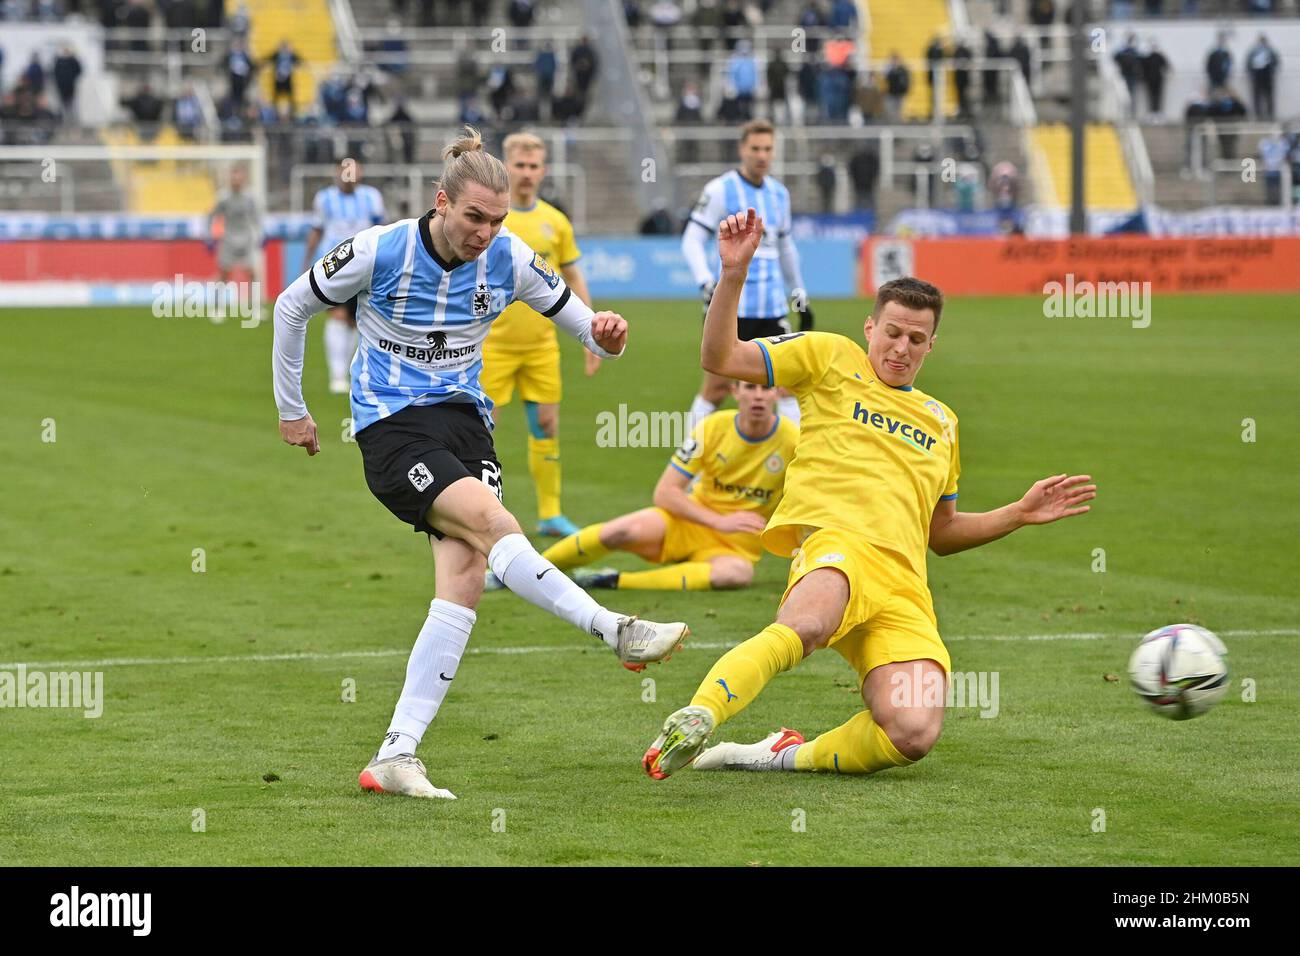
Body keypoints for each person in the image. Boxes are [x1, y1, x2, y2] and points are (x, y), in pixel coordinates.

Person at [272, 128, 689, 800]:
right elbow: (292, 305)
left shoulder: (512, 257)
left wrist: (607, 335)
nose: (486, 232)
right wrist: (292, 409)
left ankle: (396, 754)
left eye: (496, 220)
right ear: (441, 203)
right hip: (392, 426)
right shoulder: (380, 250)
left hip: (466, 425)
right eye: (474, 217)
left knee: (465, 578)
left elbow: (588, 329)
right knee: (494, 523)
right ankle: (615, 629)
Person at [642, 209, 1095, 780]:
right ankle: (698, 717)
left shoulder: (943, 422)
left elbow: (942, 535)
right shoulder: (828, 356)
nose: (901, 348)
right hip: (838, 544)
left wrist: (1018, 514)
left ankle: (778, 755)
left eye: (916, 338)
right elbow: (720, 358)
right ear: (869, 328)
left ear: (932, 345)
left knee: (912, 732)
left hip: (904, 585)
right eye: (893, 332)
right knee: (806, 625)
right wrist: (733, 274)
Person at [523, 381, 796, 593]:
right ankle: (520, 571)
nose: (758, 396)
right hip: (688, 523)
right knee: (620, 531)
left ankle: (612, 580)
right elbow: (665, 493)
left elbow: (805, 498)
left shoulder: (793, 440)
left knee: (736, 575)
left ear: (778, 393)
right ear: (735, 391)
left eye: (766, 388)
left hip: (736, 546)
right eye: (750, 387)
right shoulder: (712, 428)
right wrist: (719, 521)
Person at [480, 131, 595, 539]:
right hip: (491, 346)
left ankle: (549, 513)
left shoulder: (555, 221)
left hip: (541, 346)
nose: (526, 174)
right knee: (480, 432)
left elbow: (573, 272)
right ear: (505, 167)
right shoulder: (491, 218)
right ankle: (481, 515)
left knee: (546, 425)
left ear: (543, 170)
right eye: (519, 166)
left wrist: (591, 330)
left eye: (533, 166)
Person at [681, 119, 810, 429]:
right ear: (742, 149)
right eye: (755, 148)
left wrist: (799, 294)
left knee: (785, 385)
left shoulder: (780, 194)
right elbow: (691, 239)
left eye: (767, 149)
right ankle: (692, 455)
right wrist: (705, 282)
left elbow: (785, 247)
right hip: (731, 309)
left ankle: (791, 459)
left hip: (772, 308)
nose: (762, 155)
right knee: (718, 387)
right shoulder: (720, 189)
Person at [303, 158, 386, 394]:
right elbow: (316, 230)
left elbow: (383, 229)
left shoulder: (372, 196)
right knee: (337, 315)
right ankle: (337, 374)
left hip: (366, 265)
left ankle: (347, 371)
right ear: (336, 173)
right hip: (334, 265)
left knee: (355, 320)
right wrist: (307, 263)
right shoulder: (324, 198)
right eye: (344, 170)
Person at [208, 165, 262, 284]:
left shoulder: (250, 197)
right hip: (229, 239)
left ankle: (256, 301)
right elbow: (211, 215)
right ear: (230, 180)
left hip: (246, 238)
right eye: (234, 179)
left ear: (243, 179)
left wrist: (260, 235)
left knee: (252, 272)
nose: (236, 182)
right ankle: (218, 300)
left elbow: (257, 218)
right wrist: (209, 236)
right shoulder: (223, 197)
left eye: (238, 179)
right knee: (224, 273)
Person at [1246, 34, 1278, 121]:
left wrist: (1272, 71)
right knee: (1257, 97)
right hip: (1257, 77)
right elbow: (1248, 64)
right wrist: (1251, 74)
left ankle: (1270, 115)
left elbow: (1276, 62)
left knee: (1269, 97)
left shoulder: (1270, 51)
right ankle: (1258, 115)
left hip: (1267, 76)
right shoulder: (1253, 52)